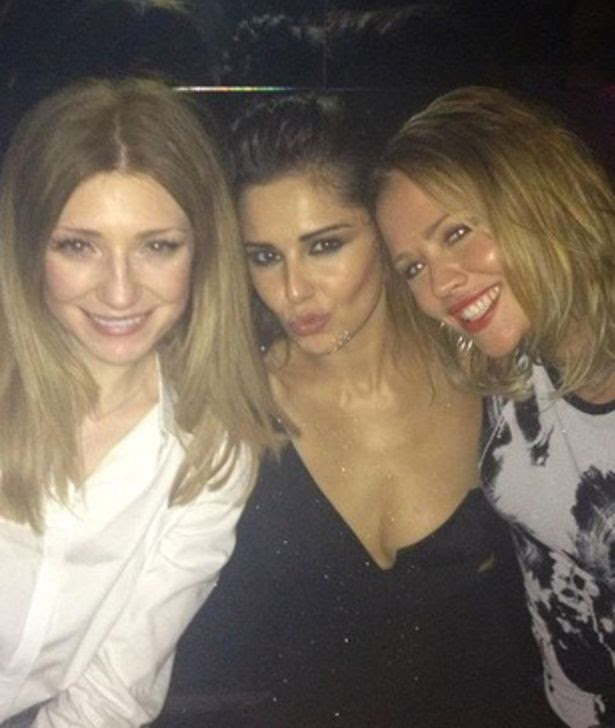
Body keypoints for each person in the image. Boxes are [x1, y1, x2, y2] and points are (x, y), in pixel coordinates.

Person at [157, 94, 559, 727]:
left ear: (383, 230)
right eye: (264, 256)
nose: (293, 290)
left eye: (324, 245)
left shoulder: (492, 371)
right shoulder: (227, 405)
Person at [0, 77, 278, 727]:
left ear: (201, 251)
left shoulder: (211, 448)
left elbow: (113, 693)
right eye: (79, 245)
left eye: (157, 246)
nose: (120, 292)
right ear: (29, 248)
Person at [375, 85, 615, 728]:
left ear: (536, 196)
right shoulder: (509, 366)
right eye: (413, 267)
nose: (440, 284)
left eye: (457, 233)